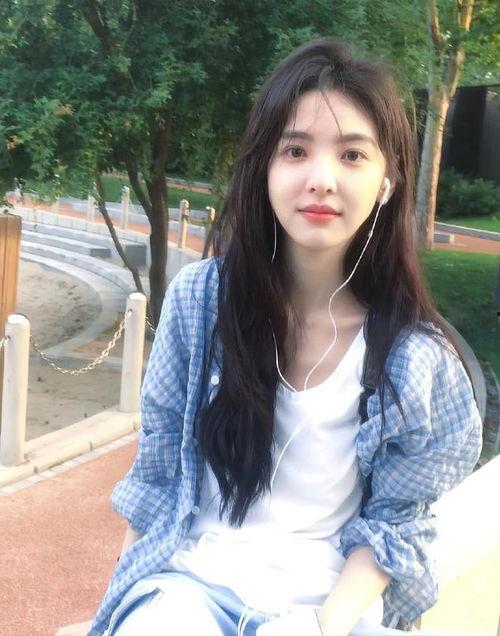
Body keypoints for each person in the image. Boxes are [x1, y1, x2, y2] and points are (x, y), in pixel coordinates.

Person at [84, 38, 482, 636]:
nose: (321, 180)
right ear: (265, 168)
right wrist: (120, 607)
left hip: (327, 607)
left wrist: (322, 625)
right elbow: (158, 475)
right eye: (296, 150)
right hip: (192, 585)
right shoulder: (202, 303)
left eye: (352, 155)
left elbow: (397, 525)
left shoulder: (414, 358)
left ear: (388, 181)